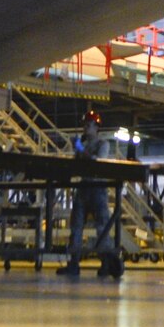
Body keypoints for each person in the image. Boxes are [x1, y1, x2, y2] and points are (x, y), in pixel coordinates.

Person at [62, 111, 115, 277]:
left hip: (98, 188)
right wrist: (76, 150)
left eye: (88, 125)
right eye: (84, 125)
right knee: (76, 226)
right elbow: (76, 165)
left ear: (97, 127)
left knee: (102, 227)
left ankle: (106, 263)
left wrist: (80, 150)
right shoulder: (83, 146)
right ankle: (73, 263)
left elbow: (96, 161)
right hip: (83, 188)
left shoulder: (103, 144)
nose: (85, 128)